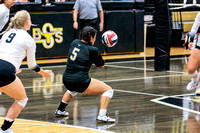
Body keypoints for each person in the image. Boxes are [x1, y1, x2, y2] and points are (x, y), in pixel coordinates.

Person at [0, 10, 52, 133]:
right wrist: (44, 73)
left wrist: (11, 68)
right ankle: (4, 129)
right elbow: (32, 65)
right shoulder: (29, 40)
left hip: (5, 68)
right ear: (28, 22)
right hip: (5, 71)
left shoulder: (7, 33)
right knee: (21, 99)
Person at [55, 26, 115, 123]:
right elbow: (101, 65)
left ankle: (60, 110)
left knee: (73, 89)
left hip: (66, 79)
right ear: (91, 37)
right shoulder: (93, 50)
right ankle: (102, 116)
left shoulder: (74, 43)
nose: (95, 39)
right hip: (80, 81)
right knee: (108, 90)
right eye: (94, 37)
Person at [185, 12, 200, 95]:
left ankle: (199, 86)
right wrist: (191, 41)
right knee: (190, 70)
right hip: (199, 45)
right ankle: (195, 79)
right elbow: (194, 28)